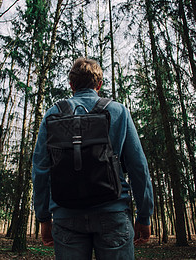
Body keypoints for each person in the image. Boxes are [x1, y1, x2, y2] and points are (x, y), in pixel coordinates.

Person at [32, 57, 154, 260]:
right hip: (113, 213)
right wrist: (144, 215)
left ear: (71, 85)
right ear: (99, 84)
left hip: (66, 215)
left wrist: (44, 217)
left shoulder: (53, 114)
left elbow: (41, 169)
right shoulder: (118, 111)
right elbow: (138, 167)